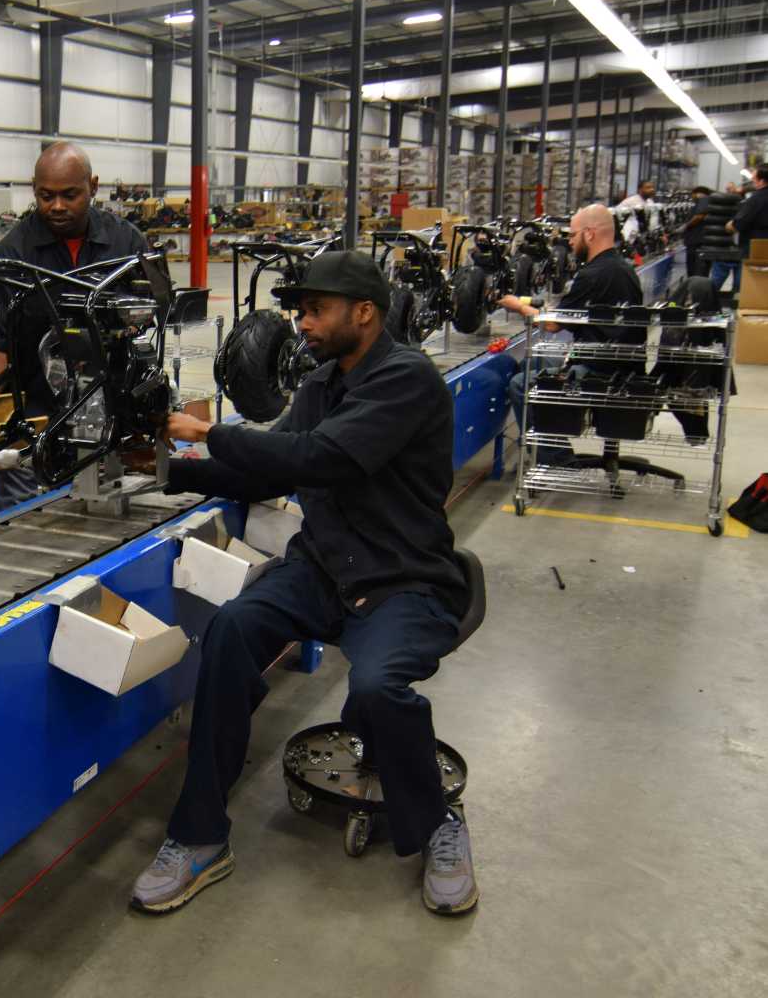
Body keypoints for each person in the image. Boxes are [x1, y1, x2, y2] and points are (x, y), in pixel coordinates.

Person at [132, 251, 475, 917]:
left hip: (404, 578)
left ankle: (439, 826)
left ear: (365, 313)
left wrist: (210, 431)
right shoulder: (320, 386)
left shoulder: (408, 380)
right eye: (301, 312)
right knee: (231, 631)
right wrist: (170, 470)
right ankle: (199, 836)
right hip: (322, 569)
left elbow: (320, 458)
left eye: (316, 311)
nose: (303, 323)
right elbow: (270, 475)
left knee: (377, 686)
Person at [0, 141, 150, 510]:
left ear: (93, 185)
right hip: (35, 419)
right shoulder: (13, 253)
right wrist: (0, 424)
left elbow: (149, 321)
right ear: (33, 189)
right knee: (20, 529)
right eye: (46, 196)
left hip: (110, 421)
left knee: (106, 523)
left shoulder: (127, 242)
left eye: (70, 195)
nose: (56, 206)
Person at [499, 204, 644, 463]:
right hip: (623, 366)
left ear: (590, 234)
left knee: (519, 384)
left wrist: (518, 306)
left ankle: (554, 458)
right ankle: (549, 440)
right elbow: (582, 312)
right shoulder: (624, 269)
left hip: (598, 372)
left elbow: (554, 326)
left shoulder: (592, 274)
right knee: (533, 364)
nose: (570, 242)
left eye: (573, 236)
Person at [725, 165, 768, 293]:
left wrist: (730, 225)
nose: (752, 180)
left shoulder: (756, 199)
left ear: (761, 181)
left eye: (754, 178)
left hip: (756, 249)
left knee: (753, 285)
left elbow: (739, 224)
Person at [679, 185, 714, 278]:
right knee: (698, 271)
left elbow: (699, 216)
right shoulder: (708, 203)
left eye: (692, 195)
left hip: (697, 243)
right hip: (698, 242)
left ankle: (695, 291)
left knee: (696, 270)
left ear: (698, 194)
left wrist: (685, 226)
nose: (692, 197)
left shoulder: (704, 200)